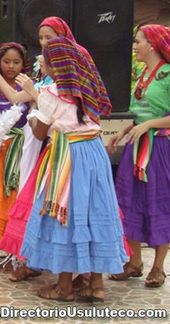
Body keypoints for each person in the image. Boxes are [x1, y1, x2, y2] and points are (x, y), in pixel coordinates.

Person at [19, 37, 127, 302]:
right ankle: (96, 285)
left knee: (63, 213)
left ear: (55, 65)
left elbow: (41, 131)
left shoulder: (52, 94)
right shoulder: (89, 88)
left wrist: (34, 110)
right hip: (94, 152)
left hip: (68, 156)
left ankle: (64, 287)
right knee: (94, 212)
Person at [108, 24, 170, 288]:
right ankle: (134, 262)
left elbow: (156, 119)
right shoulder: (143, 74)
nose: (134, 47)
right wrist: (124, 131)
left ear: (153, 44)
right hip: (136, 147)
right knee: (129, 201)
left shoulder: (168, 75)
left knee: (159, 202)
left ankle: (158, 267)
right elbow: (140, 115)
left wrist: (149, 126)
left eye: (138, 42)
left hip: (159, 149)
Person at [0, 42, 30, 268]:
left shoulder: (28, 87)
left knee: (15, 199)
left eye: (16, 62)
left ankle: (15, 252)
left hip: (20, 152)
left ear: (24, 64)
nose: (11, 67)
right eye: (7, 62)